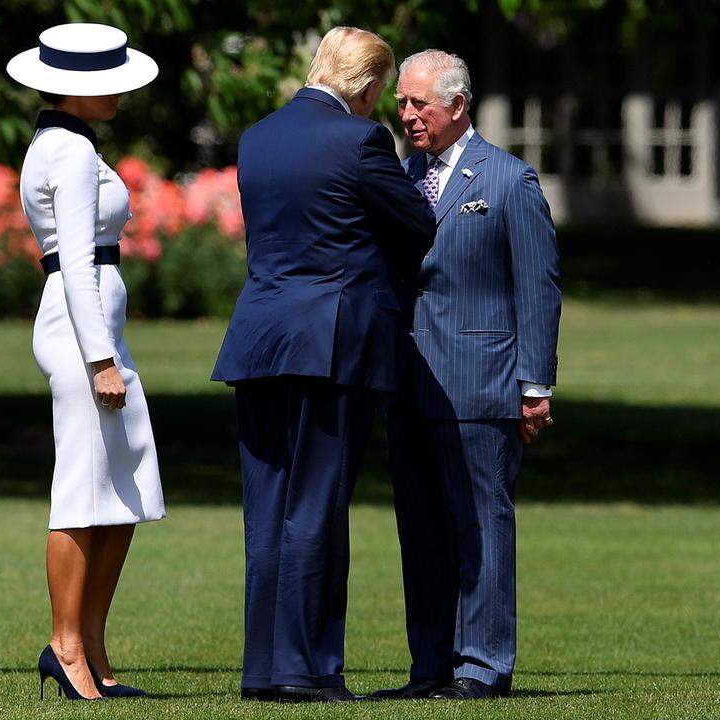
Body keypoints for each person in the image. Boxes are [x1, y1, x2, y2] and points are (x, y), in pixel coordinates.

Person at [210, 26, 435, 703]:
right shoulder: (360, 140)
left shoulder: (257, 137)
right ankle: (303, 668)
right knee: (316, 505)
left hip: (260, 336)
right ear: (366, 86)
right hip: (332, 340)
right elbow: (416, 225)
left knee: (268, 508)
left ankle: (264, 666)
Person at [372, 50, 561, 701]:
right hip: (407, 385)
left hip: (480, 387)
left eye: (418, 103)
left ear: (456, 104)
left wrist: (534, 386)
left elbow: (538, 290)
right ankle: (428, 666)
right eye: (400, 103)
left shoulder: (509, 181)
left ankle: (481, 666)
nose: (406, 115)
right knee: (419, 533)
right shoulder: (400, 174)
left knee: (480, 529)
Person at [6, 22, 165, 701]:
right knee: (81, 484)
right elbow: (75, 261)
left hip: (92, 325)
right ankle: (66, 646)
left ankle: (90, 644)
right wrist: (99, 357)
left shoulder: (66, 143)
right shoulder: (67, 150)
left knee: (124, 482)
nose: (119, 95)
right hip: (81, 331)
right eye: (107, 85)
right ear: (75, 93)